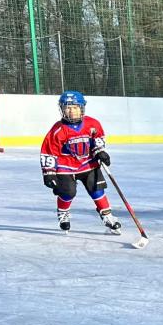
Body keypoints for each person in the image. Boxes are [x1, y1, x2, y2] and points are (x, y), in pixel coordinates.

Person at [39, 90, 121, 234]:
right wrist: (49, 173)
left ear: (82, 108)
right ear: (62, 109)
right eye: (68, 108)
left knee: (97, 189)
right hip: (65, 166)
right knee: (68, 192)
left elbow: (97, 139)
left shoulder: (92, 124)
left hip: (87, 163)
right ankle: (63, 212)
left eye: (75, 107)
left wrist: (100, 151)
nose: (72, 111)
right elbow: (49, 151)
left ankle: (107, 215)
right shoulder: (57, 130)